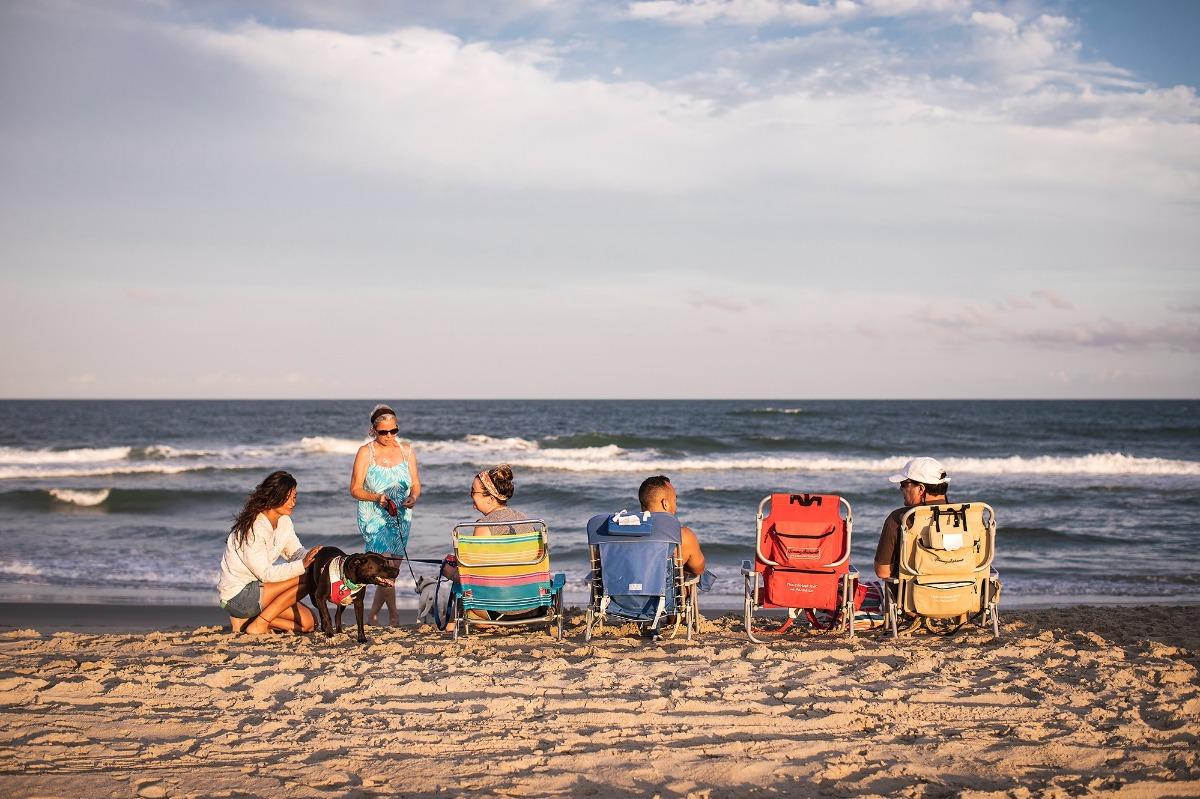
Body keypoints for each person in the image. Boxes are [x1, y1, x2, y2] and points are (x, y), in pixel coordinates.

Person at [217, 470, 322, 635]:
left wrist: (316, 557)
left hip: (260, 590)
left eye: (294, 497)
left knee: (309, 623)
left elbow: (295, 553)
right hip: (238, 596)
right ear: (274, 496)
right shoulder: (254, 527)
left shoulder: (284, 522)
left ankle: (248, 622)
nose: (292, 503)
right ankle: (259, 623)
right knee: (308, 578)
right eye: (288, 498)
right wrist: (303, 565)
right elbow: (266, 574)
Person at [350, 404, 421, 626]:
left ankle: (372, 615)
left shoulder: (407, 451)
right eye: (383, 432)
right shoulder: (365, 452)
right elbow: (355, 489)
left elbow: (416, 484)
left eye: (394, 430)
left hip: (401, 517)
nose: (389, 436)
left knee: (390, 571)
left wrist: (413, 497)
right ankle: (394, 617)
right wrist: (378, 497)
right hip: (375, 518)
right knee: (385, 572)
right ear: (373, 431)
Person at [874, 456, 951, 579]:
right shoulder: (969, 515)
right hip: (964, 595)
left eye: (904, 484)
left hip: (914, 596)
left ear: (921, 489)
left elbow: (882, 572)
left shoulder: (899, 519)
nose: (901, 489)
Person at [638, 475, 706, 577]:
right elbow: (698, 570)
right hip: (663, 592)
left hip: (620, 591)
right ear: (665, 504)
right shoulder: (683, 536)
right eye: (674, 501)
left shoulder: (620, 533)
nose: (676, 506)